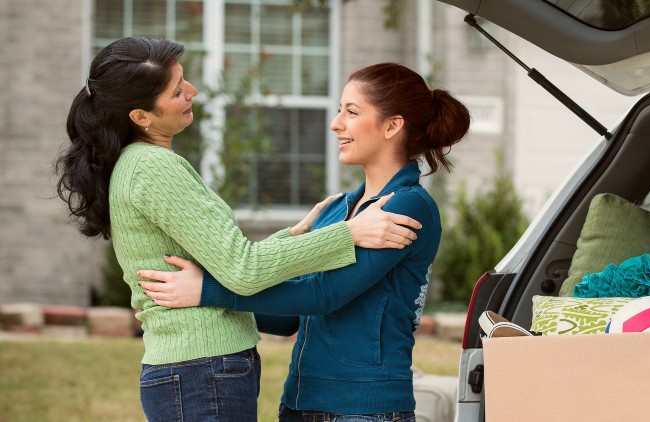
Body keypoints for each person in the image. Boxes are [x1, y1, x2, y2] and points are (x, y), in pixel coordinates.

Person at [55, 38, 421, 422]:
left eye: (185, 80)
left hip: (195, 371)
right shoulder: (153, 167)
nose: (193, 92)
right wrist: (349, 234)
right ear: (141, 116)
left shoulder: (138, 164)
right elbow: (243, 270)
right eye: (177, 91)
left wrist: (295, 236)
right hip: (202, 370)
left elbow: (227, 258)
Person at [138, 62, 471, 421]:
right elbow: (291, 319)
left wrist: (208, 290)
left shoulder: (408, 206)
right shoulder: (337, 208)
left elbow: (323, 295)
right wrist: (198, 300)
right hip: (299, 403)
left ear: (392, 126)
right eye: (340, 110)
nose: (336, 123)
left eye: (351, 111)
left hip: (364, 409)